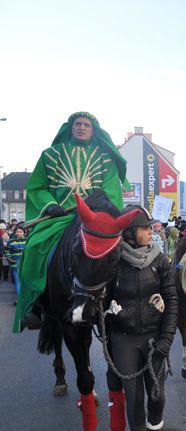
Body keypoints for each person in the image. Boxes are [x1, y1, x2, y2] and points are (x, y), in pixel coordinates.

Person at [14, 112, 128, 333]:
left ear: (94, 130)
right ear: (70, 128)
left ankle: (124, 299)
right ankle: (35, 305)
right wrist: (49, 205)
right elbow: (37, 188)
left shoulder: (106, 158)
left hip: (95, 219)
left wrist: (94, 208)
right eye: (78, 124)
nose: (82, 127)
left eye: (87, 125)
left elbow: (112, 191)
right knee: (34, 247)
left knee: (124, 250)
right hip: (59, 217)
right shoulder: (50, 155)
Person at [105, 205, 177, 431]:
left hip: (154, 338)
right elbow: (101, 303)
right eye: (145, 228)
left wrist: (166, 339)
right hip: (123, 340)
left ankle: (154, 424)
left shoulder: (160, 260)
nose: (151, 231)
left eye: (150, 227)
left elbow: (173, 300)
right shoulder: (112, 262)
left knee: (157, 398)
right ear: (129, 233)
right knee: (134, 400)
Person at [6, 226, 27, 299]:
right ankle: (19, 299)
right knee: (18, 282)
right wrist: (11, 260)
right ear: (15, 232)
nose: (19, 233)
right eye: (17, 232)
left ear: (24, 233)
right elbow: (7, 252)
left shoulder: (27, 241)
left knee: (25, 283)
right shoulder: (10, 241)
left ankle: (25, 299)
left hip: (25, 265)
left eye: (20, 232)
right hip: (15, 266)